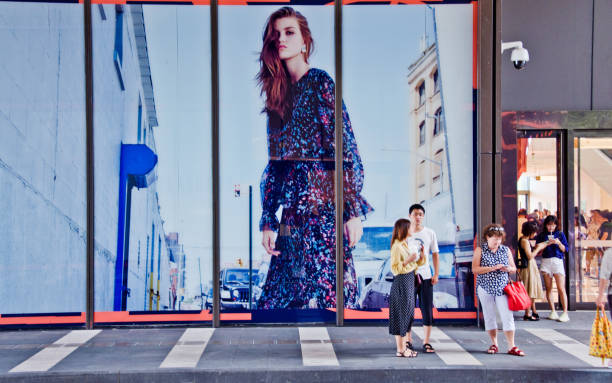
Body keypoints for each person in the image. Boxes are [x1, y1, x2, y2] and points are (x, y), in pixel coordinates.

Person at [256, 7, 373, 309]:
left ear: (305, 42)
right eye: (276, 35)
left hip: (325, 211)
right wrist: (269, 217)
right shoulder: (277, 98)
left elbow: (343, 147)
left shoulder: (320, 83)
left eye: (289, 32)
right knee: (278, 304)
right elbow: (276, 165)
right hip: (292, 217)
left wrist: (351, 210)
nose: (281, 39)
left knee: (329, 300)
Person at [472, 223, 524, 356]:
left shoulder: (505, 250)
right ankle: (494, 343)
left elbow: (513, 268)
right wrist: (493, 267)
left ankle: (511, 345)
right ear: (487, 238)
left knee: (507, 315)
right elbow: (475, 269)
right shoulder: (480, 250)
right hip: (485, 287)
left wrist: (508, 268)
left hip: (502, 287)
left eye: (499, 238)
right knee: (489, 316)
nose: (497, 241)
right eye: (494, 238)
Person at [405, 204, 439, 353]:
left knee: (427, 309)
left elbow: (435, 254)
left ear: (423, 216)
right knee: (408, 309)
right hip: (409, 276)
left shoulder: (430, 233)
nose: (418, 217)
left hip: (425, 276)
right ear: (410, 216)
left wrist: (436, 273)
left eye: (420, 214)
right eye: (415, 214)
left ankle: (426, 341)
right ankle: (408, 339)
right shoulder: (405, 233)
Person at [389, 218, 426, 358]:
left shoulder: (406, 244)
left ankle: (404, 347)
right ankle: (401, 349)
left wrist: (421, 255)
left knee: (408, 316)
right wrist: (409, 260)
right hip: (402, 283)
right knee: (401, 316)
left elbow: (418, 263)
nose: (412, 229)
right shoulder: (397, 246)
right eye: (410, 227)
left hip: (410, 281)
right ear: (404, 229)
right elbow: (395, 269)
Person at [535, 215, 569, 322]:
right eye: (549, 225)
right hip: (546, 261)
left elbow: (565, 249)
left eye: (553, 225)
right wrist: (545, 244)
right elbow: (537, 249)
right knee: (548, 288)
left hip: (557, 261)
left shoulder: (560, 234)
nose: (551, 228)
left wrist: (558, 243)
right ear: (545, 225)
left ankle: (565, 312)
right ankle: (553, 311)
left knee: (561, 288)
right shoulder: (542, 235)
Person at [517, 221, 544, 321]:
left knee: (530, 289)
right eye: (534, 232)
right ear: (530, 232)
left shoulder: (523, 239)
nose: (535, 234)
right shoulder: (524, 241)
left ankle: (534, 311)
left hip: (529, 267)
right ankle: (528, 313)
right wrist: (538, 248)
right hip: (529, 267)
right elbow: (530, 256)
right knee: (529, 290)